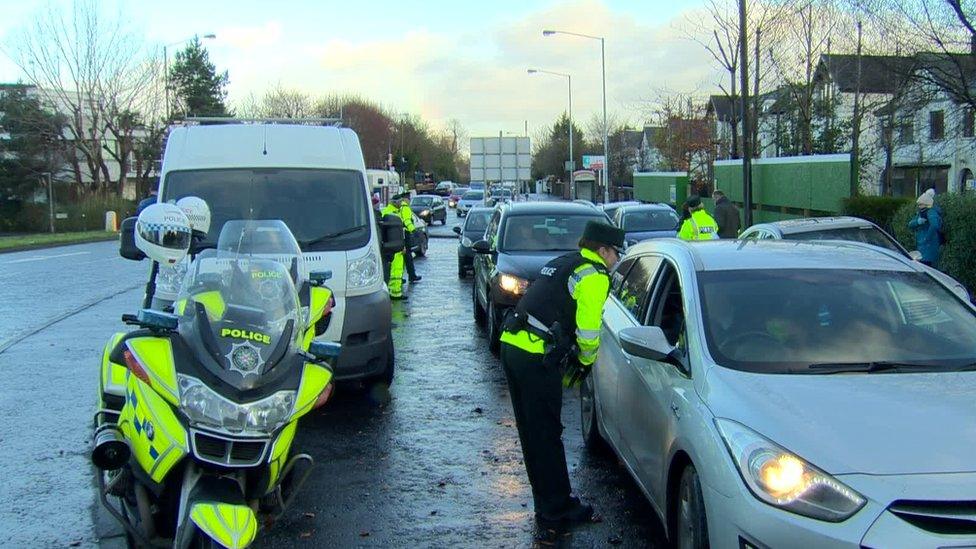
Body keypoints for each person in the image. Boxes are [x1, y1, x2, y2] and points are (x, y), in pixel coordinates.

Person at [498, 220, 625, 527]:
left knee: (533, 434)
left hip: (512, 345)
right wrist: (585, 363)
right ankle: (557, 510)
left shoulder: (566, 261)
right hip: (535, 355)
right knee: (547, 434)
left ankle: (547, 502)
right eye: (616, 253)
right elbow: (589, 330)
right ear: (604, 250)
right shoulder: (594, 276)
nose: (617, 260)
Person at [908, 188, 942, 268]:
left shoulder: (931, 212)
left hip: (928, 246)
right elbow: (910, 224)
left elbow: (935, 225)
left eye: (920, 204)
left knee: (926, 267)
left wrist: (927, 238)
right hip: (924, 245)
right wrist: (918, 222)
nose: (919, 206)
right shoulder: (923, 212)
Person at [381, 199, 407, 300]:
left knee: (397, 271)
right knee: (395, 271)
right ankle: (395, 292)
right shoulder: (389, 212)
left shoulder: (397, 211)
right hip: (394, 246)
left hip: (396, 243)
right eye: (400, 201)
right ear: (394, 202)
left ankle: (395, 291)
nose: (401, 203)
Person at [397, 194, 422, 283]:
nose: (409, 200)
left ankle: (400, 277)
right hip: (405, 234)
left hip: (399, 234)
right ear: (405, 199)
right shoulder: (405, 207)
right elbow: (407, 221)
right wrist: (413, 231)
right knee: (408, 256)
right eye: (409, 199)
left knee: (403, 257)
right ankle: (412, 276)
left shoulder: (399, 208)